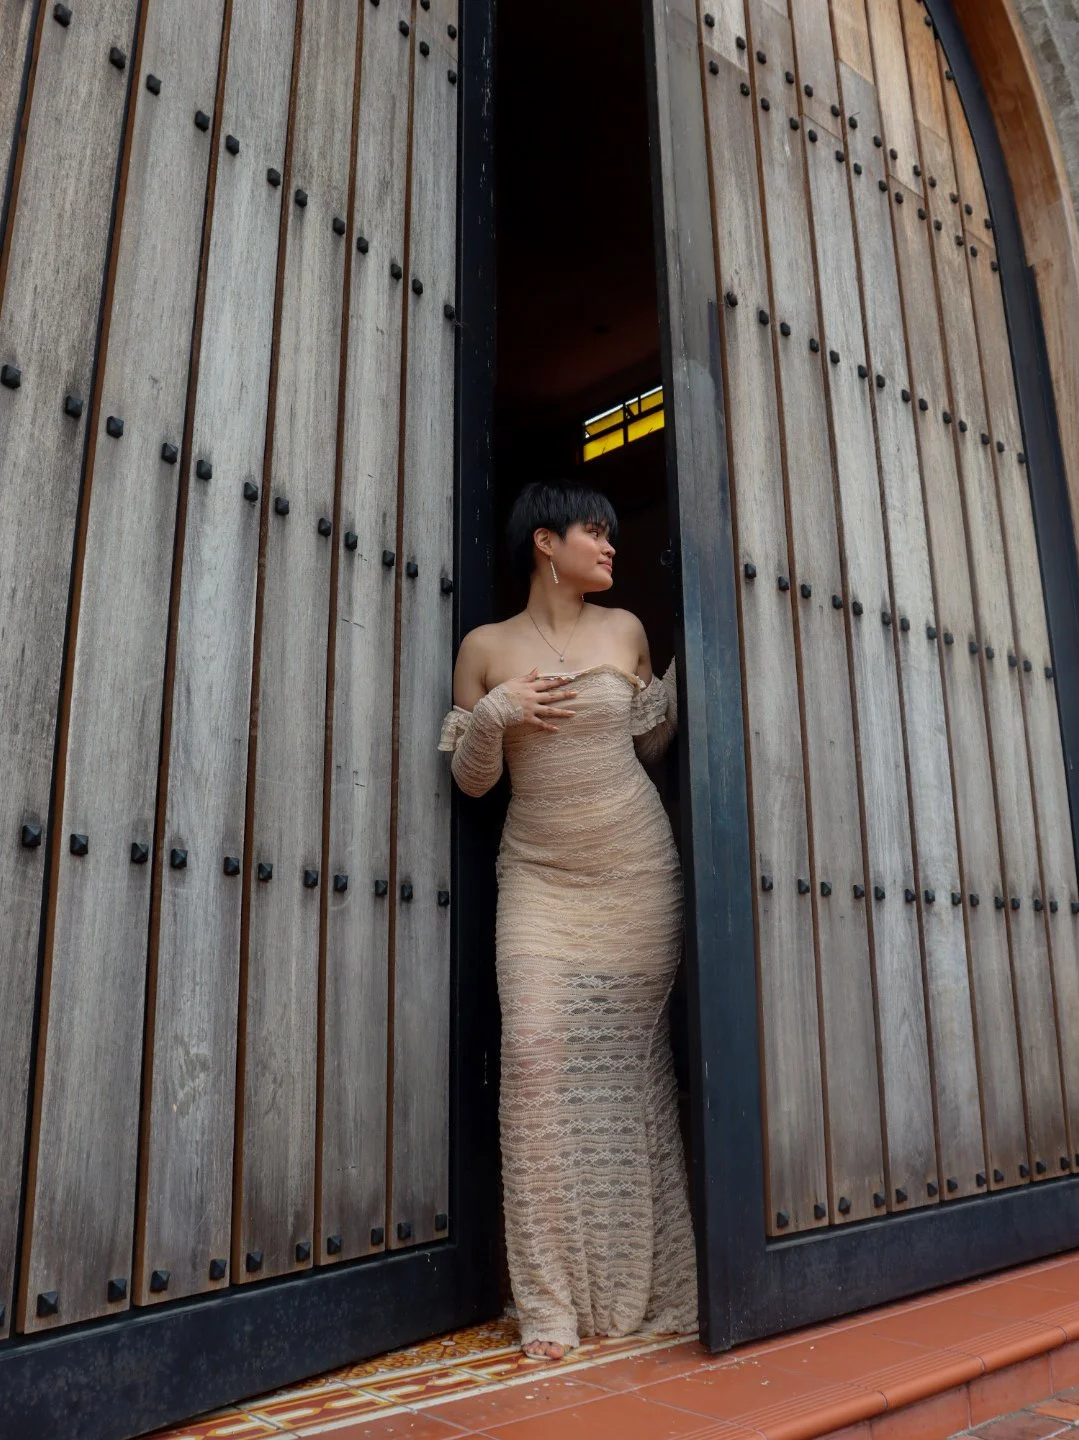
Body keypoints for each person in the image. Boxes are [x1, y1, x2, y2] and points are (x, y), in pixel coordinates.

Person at [437, 478, 698, 1360]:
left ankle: (643, 1286)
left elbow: (650, 745)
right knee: (534, 1060)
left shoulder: (623, 629)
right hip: (541, 881)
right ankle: (547, 1304)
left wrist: (686, 666)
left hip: (632, 871)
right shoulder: (484, 647)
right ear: (545, 542)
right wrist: (498, 713)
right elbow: (474, 781)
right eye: (596, 531)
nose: (610, 548)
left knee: (630, 1077)